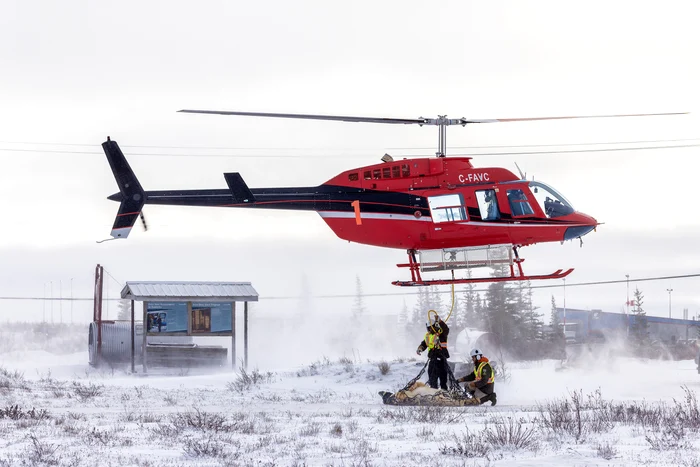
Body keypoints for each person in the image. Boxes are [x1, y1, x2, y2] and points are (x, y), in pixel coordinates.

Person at [416, 317, 450, 390]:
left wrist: (440, 321)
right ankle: (434, 395)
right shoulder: (428, 336)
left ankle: (444, 395)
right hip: (433, 360)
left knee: (443, 380)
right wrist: (420, 348)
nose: (429, 329)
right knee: (432, 380)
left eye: (430, 328)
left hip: (442, 359)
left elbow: (446, 329)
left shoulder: (441, 334)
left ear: (434, 326)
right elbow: (424, 344)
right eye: (428, 328)